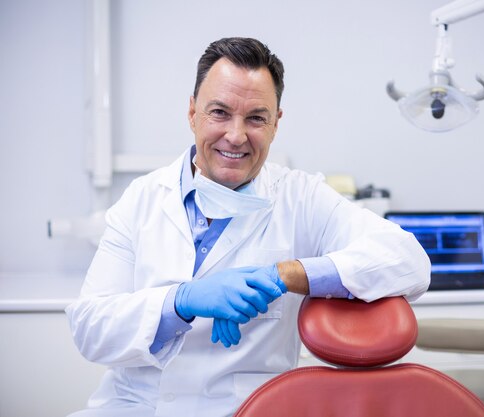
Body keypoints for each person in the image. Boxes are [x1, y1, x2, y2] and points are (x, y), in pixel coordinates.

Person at [66, 37, 430, 417]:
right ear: (192, 113)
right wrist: (180, 301)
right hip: (134, 406)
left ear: (275, 124)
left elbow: (409, 261)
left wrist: (286, 273)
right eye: (219, 112)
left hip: (247, 409)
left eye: (256, 118)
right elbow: (90, 329)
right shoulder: (141, 198)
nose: (236, 136)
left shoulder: (301, 198)